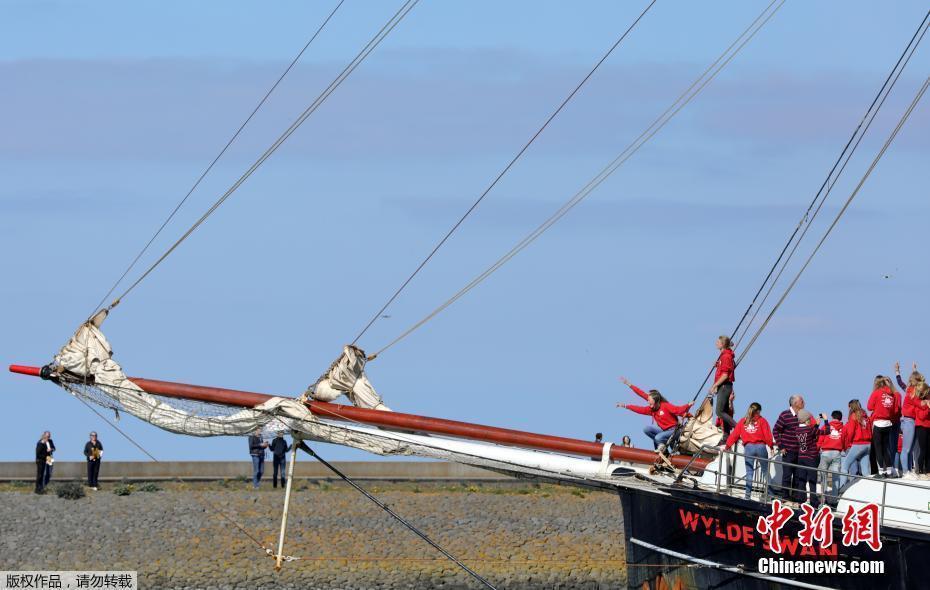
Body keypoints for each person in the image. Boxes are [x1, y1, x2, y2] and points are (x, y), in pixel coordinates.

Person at [617, 377, 690, 451]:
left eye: (649, 401)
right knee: (647, 429)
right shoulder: (651, 409)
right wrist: (626, 405)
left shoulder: (665, 405)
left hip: (675, 431)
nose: (648, 402)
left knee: (658, 437)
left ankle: (662, 444)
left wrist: (688, 406)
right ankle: (662, 446)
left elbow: (678, 410)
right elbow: (640, 405)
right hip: (665, 431)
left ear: (655, 401)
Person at [724, 402, 774, 500]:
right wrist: (771, 446)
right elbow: (768, 436)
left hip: (748, 448)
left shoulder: (743, 421)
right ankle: (771, 494)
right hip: (761, 447)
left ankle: (747, 496)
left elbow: (734, 435)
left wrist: (727, 446)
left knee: (749, 472)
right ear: (758, 411)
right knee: (765, 472)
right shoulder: (762, 421)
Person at [867, 376, 901, 478]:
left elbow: (869, 407)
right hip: (888, 424)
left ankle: (881, 472)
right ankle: (890, 472)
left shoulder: (876, 393)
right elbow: (895, 410)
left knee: (878, 449)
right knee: (886, 448)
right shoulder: (892, 394)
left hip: (878, 423)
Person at [772, 395, 804, 501]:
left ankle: (795, 498)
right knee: (787, 476)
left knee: (798, 476)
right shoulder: (785, 415)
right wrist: (781, 446)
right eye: (801, 401)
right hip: (788, 451)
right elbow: (776, 430)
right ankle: (785, 497)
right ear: (795, 403)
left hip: (799, 452)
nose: (803, 403)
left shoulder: (803, 416)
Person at [895, 361, 924, 478]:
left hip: (913, 421)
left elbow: (900, 382)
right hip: (908, 421)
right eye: (920, 380)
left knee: (911, 449)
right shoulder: (911, 391)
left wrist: (913, 370)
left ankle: (908, 470)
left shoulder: (912, 390)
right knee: (906, 449)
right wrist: (897, 371)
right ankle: (906, 472)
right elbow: (900, 382)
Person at [710, 336, 737, 442]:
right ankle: (726, 436)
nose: (716, 343)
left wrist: (715, 385)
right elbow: (726, 368)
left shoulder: (726, 356)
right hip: (725, 386)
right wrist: (718, 365)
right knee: (724, 410)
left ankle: (738, 427)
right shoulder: (724, 356)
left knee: (719, 411)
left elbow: (725, 375)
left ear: (723, 344)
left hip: (725, 386)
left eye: (718, 341)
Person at [840, 399, 871, 488]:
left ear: (851, 407)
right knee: (865, 471)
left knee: (845, 466)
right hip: (868, 444)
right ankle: (869, 489)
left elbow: (850, 432)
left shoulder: (853, 416)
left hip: (858, 444)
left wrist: (848, 444)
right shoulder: (866, 416)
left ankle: (841, 489)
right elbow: (870, 430)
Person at [795, 409, 821, 507]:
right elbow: (825, 431)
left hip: (801, 456)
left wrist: (815, 426)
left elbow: (810, 432)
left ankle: (801, 500)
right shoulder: (810, 429)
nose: (810, 420)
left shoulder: (797, 430)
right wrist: (824, 422)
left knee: (802, 479)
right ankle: (814, 501)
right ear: (806, 420)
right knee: (812, 480)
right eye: (809, 419)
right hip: (811, 457)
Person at [817, 411, 844, 502]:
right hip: (837, 453)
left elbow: (820, 437)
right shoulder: (843, 428)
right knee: (835, 477)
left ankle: (823, 498)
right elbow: (845, 439)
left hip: (825, 452)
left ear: (832, 417)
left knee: (823, 475)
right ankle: (833, 500)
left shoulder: (826, 426)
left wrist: (818, 447)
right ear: (840, 418)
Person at [914, 382, 930, 479]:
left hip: (929, 427)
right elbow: (921, 416)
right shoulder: (919, 402)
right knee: (923, 450)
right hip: (921, 427)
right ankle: (920, 470)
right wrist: (928, 408)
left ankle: (928, 470)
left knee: (929, 451)